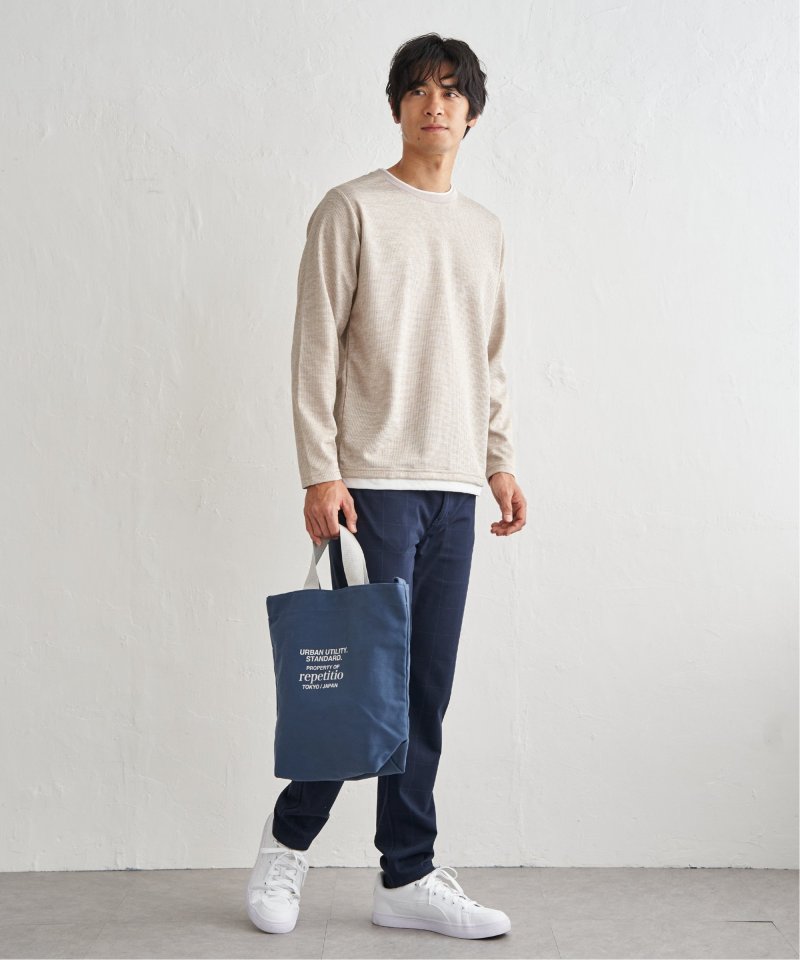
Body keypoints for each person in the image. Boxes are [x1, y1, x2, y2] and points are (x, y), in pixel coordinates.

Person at [247, 32, 527, 941]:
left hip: (454, 485)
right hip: (371, 483)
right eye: (418, 89)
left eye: (451, 91)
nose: (434, 103)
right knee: (360, 687)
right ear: (398, 106)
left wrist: (498, 460)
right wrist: (320, 469)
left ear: (472, 113)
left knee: (424, 692)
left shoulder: (485, 229)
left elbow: (490, 358)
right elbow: (315, 345)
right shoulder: (352, 209)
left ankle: (406, 875)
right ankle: (288, 842)